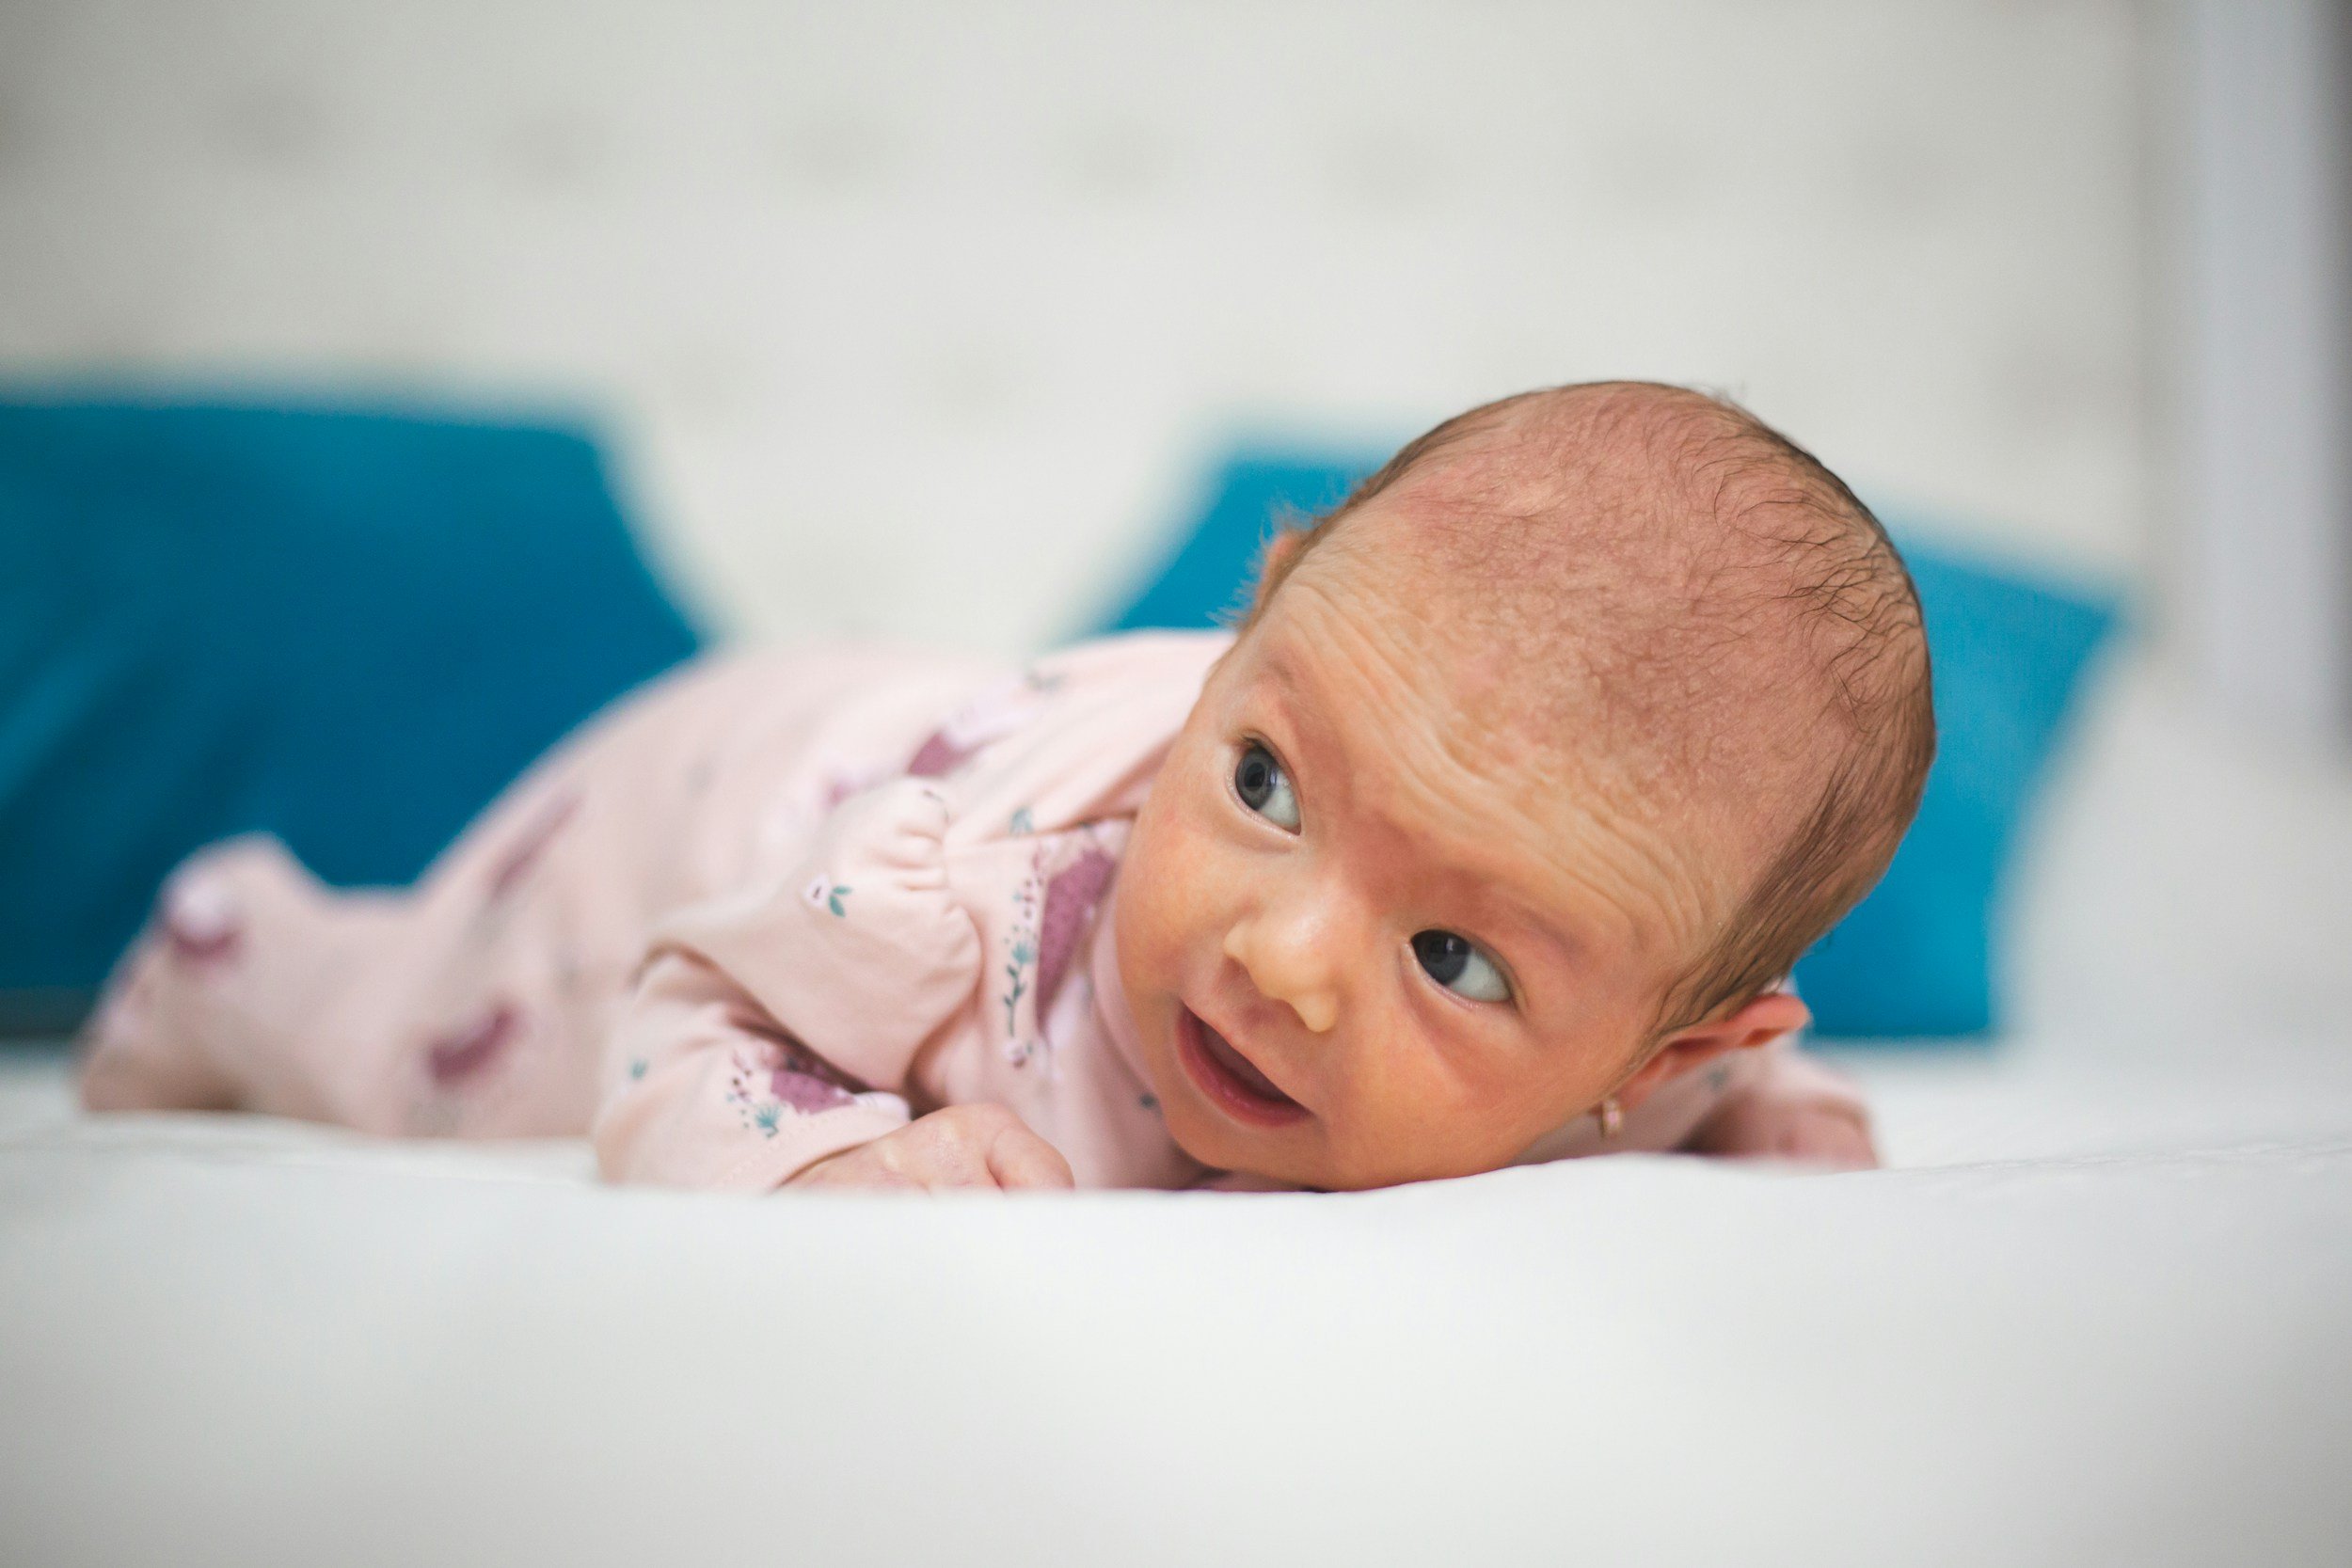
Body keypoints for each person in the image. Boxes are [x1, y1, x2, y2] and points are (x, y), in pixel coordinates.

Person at [81, 381, 1931, 1193]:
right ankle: (235, 946)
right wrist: (816, 1166)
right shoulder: (949, 914)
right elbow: (693, 1005)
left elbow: (1717, 1044)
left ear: (1658, 1056)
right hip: (706, 835)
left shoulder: (1642, 1028)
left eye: (1454, 962)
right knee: (422, 1050)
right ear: (1251, 623)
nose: (1281, 965)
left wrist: (1771, 1112)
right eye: (1270, 784)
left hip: (914, 725)